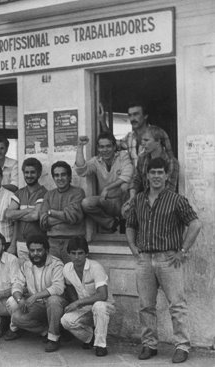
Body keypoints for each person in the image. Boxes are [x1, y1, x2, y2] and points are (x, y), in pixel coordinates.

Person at [126, 157, 201, 363]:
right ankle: (149, 345)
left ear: (167, 175)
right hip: (144, 259)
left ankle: (182, 346)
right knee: (145, 305)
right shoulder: (139, 199)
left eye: (160, 172)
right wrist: (133, 248)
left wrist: (183, 250)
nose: (157, 176)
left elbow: (195, 224)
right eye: (153, 172)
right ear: (147, 176)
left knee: (176, 304)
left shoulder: (176, 199)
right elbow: (130, 224)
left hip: (168, 259)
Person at [5, 235, 66, 353]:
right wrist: (19, 299)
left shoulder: (56, 264)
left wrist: (35, 296)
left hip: (57, 306)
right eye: (32, 251)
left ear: (46, 251)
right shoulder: (27, 265)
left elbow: (58, 288)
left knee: (53, 300)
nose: (35, 254)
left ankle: (54, 338)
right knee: (16, 317)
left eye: (39, 250)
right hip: (37, 306)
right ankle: (46, 331)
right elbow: (17, 284)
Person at [60, 237, 115, 357]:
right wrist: (75, 303)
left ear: (86, 253)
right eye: (73, 253)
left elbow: (103, 295)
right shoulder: (67, 269)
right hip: (85, 308)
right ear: (68, 254)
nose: (76, 257)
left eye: (80, 253)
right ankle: (90, 338)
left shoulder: (95, 267)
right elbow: (69, 286)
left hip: (106, 306)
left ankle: (101, 345)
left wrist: (78, 303)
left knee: (98, 306)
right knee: (65, 320)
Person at [75, 132, 133, 232]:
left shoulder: (123, 156)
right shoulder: (96, 161)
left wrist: (107, 188)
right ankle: (111, 223)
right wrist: (80, 146)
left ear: (114, 147)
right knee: (86, 203)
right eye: (101, 147)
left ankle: (126, 222)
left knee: (125, 186)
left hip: (122, 201)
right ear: (98, 148)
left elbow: (127, 176)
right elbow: (81, 170)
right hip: (106, 202)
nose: (105, 150)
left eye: (108, 146)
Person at [100, 101, 172, 168]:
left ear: (145, 116)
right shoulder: (129, 137)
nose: (132, 119)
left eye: (136, 114)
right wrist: (103, 121)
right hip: (135, 180)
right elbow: (112, 143)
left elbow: (171, 160)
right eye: (130, 115)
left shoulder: (159, 133)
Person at [39, 161, 85, 262]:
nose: (60, 178)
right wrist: (65, 216)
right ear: (53, 178)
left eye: (63, 174)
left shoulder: (78, 193)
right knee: (55, 275)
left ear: (69, 176)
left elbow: (73, 217)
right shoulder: (49, 195)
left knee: (73, 275)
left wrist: (51, 213)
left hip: (74, 242)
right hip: (52, 243)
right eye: (56, 175)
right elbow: (43, 221)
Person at [6, 158, 48, 263]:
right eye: (26, 172)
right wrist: (28, 210)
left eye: (32, 172)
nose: (29, 175)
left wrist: (17, 214)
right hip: (20, 242)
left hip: (38, 244)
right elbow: (8, 214)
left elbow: (35, 216)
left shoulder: (44, 193)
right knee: (23, 275)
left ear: (39, 174)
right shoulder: (19, 193)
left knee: (37, 274)